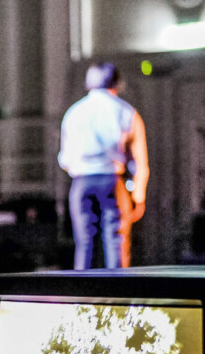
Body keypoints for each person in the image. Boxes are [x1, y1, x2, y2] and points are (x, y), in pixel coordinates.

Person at [58, 62, 149, 269]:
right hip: (111, 181)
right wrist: (138, 197)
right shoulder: (126, 112)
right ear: (117, 84)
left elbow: (65, 159)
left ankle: (81, 296)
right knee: (116, 241)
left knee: (84, 243)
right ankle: (118, 295)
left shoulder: (74, 113)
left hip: (81, 182)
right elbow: (140, 162)